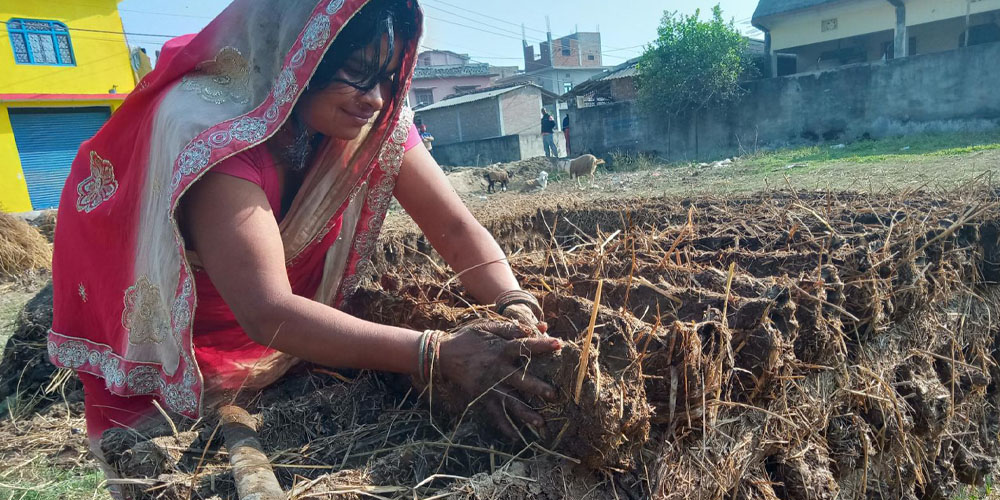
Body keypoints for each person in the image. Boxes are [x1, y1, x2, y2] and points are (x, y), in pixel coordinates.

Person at [48, 0, 560, 489]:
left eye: (386, 78)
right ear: (297, 55)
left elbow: (453, 227)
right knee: (166, 477)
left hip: (288, 342)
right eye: (355, 72)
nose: (375, 99)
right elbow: (268, 310)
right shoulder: (213, 135)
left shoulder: (371, 124)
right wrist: (438, 352)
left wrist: (515, 302)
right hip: (175, 350)